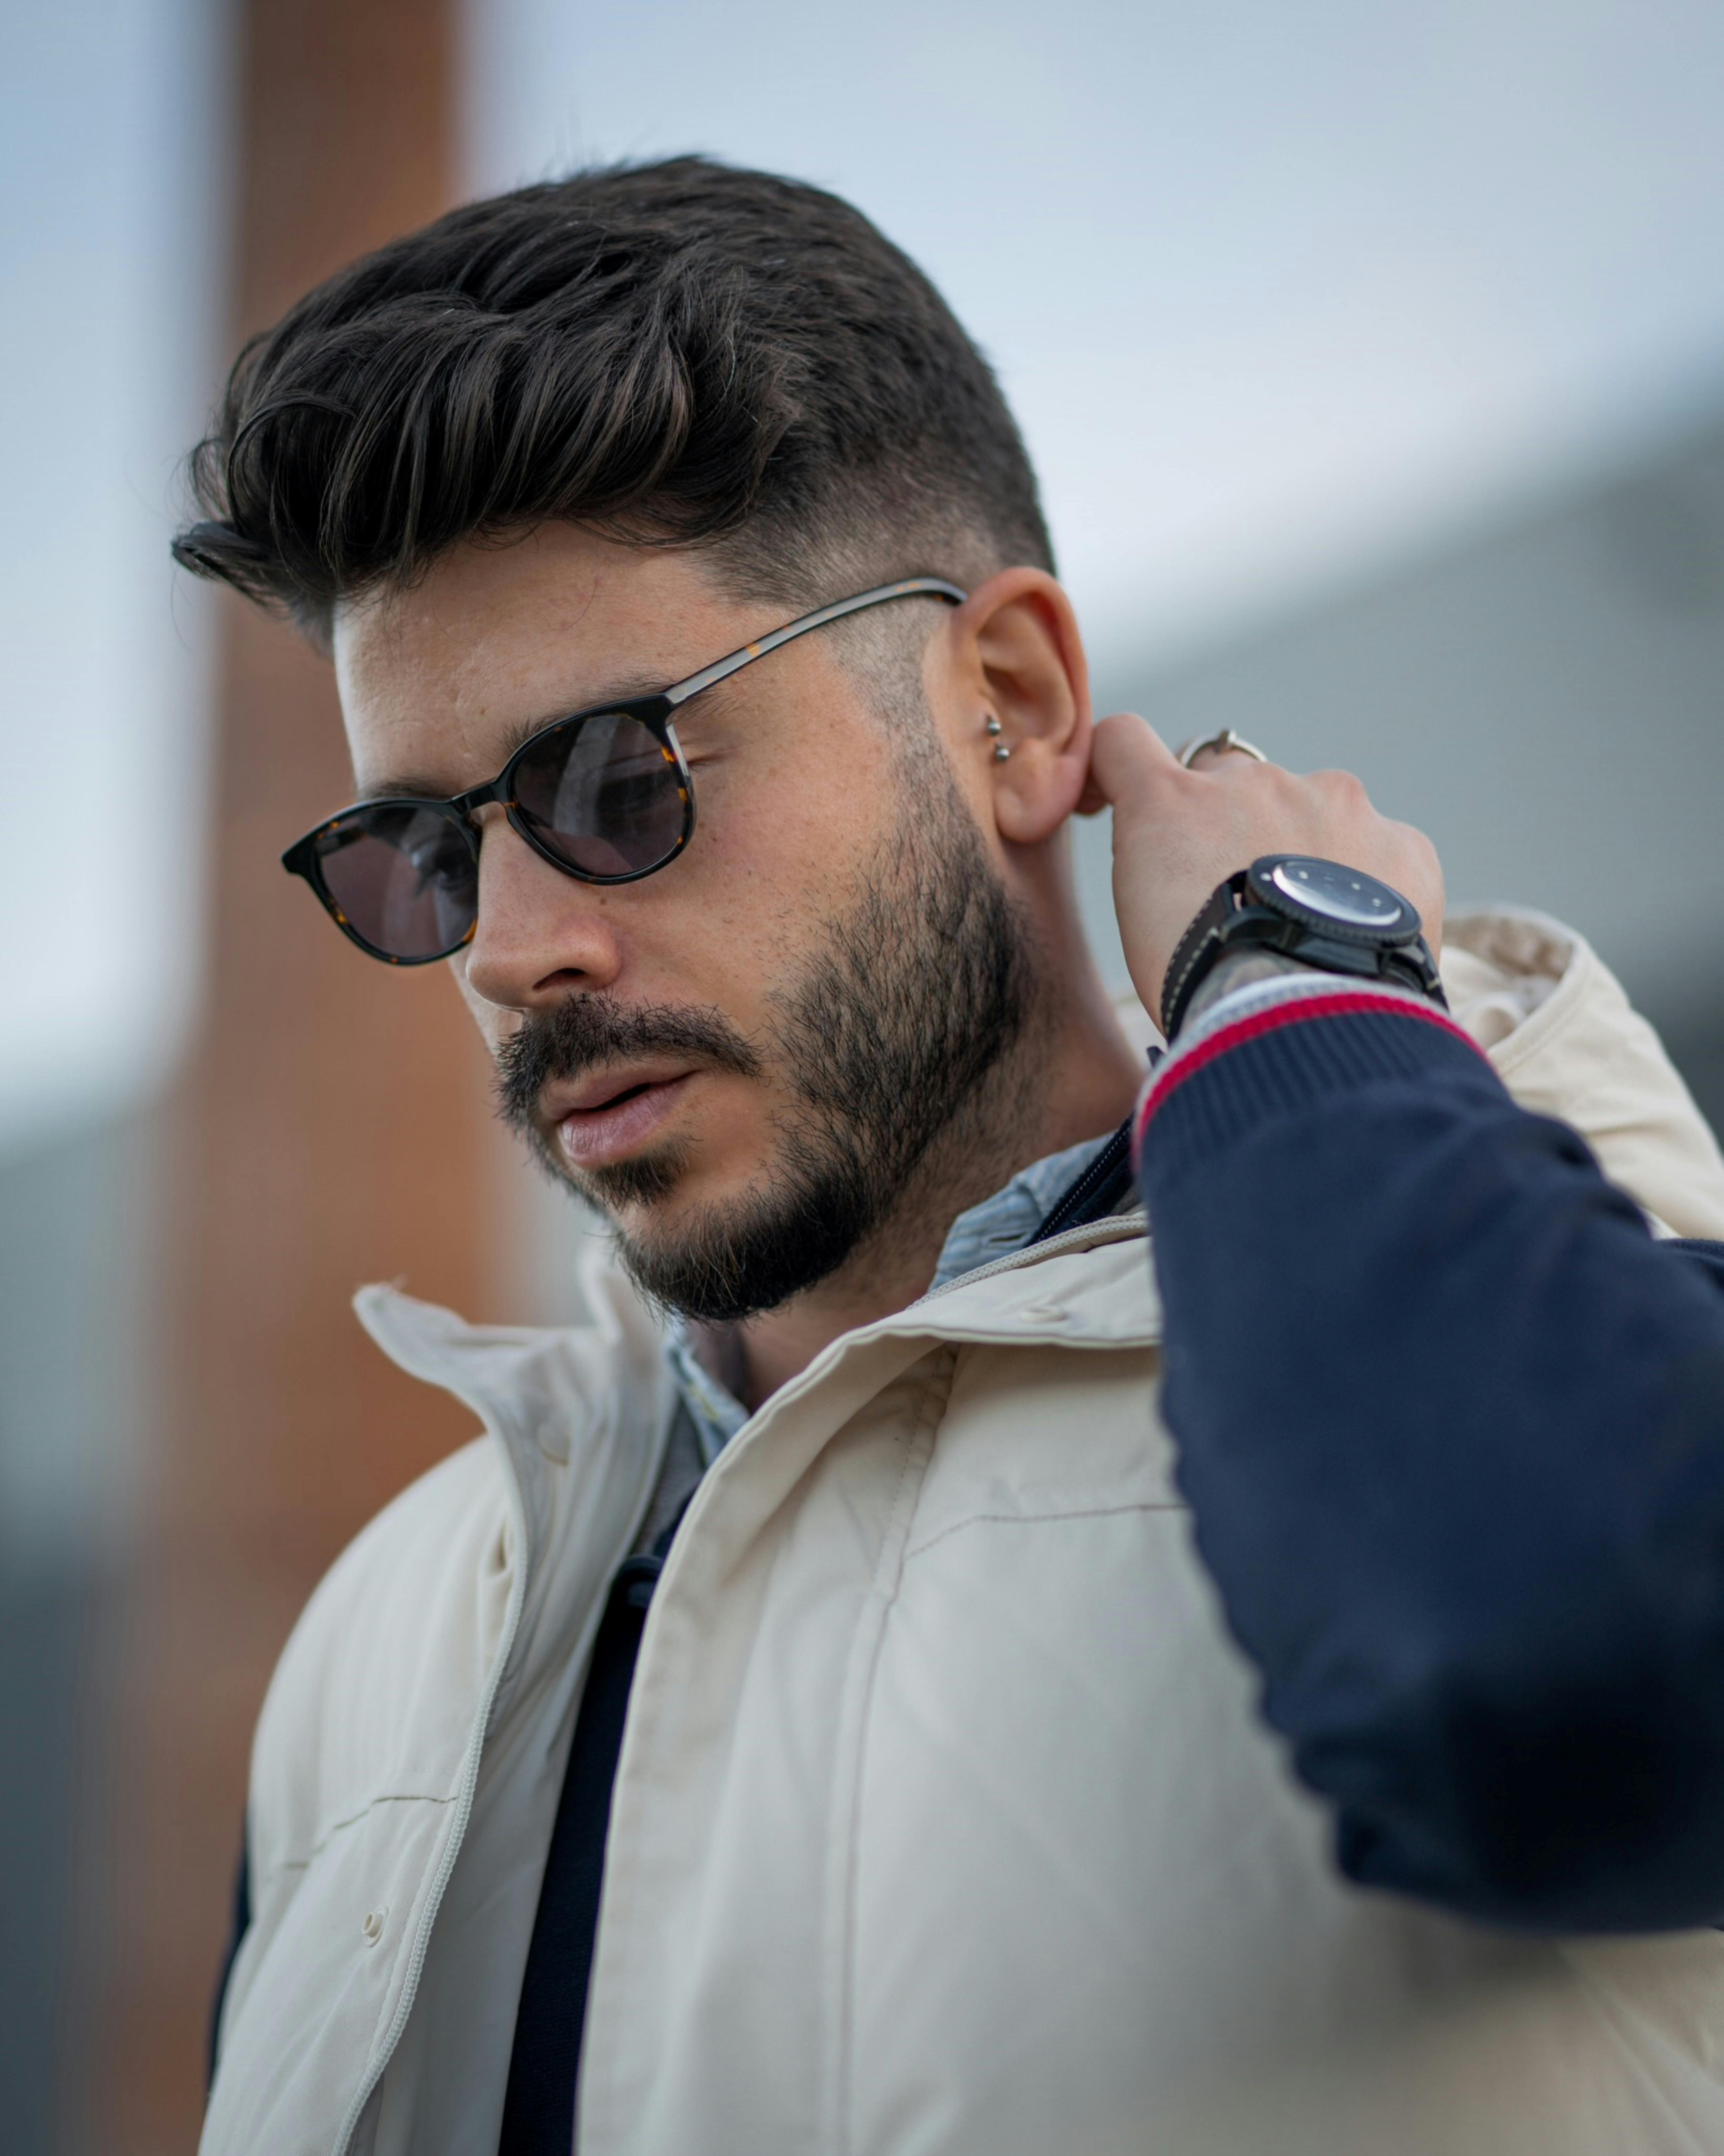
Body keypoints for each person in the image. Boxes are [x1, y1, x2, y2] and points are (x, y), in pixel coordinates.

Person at [176, 159, 1724, 2156]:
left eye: (611, 781)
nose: (504, 950)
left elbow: (1575, 1684)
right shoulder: (390, 1632)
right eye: (427, 853)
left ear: (1005, 706)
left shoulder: (1586, 1295)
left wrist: (1298, 983)